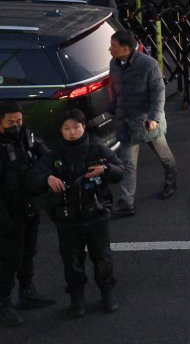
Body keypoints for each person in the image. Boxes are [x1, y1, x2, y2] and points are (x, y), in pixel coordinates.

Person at [36, 109, 123, 317]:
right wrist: (47, 178)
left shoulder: (97, 150)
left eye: (76, 127)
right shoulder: (54, 156)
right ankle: (77, 296)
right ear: (61, 130)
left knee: (102, 258)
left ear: (84, 127)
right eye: (67, 128)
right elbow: (32, 178)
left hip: (96, 216)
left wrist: (106, 170)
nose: (72, 132)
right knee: (72, 262)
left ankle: (107, 292)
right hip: (67, 221)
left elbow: (120, 172)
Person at [108, 30, 178, 217]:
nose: (109, 49)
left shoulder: (149, 65)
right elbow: (115, 90)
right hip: (126, 123)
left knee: (164, 156)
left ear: (126, 49)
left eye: (113, 46)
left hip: (147, 123)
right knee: (128, 164)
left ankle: (171, 182)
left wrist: (154, 118)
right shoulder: (114, 64)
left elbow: (158, 92)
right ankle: (126, 203)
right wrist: (113, 108)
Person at [0, 102, 54, 327]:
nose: (16, 126)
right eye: (11, 122)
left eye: (19, 121)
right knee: (9, 259)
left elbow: (48, 156)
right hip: (8, 212)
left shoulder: (27, 137)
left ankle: (27, 291)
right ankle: (4, 303)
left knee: (29, 251)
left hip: (30, 206)